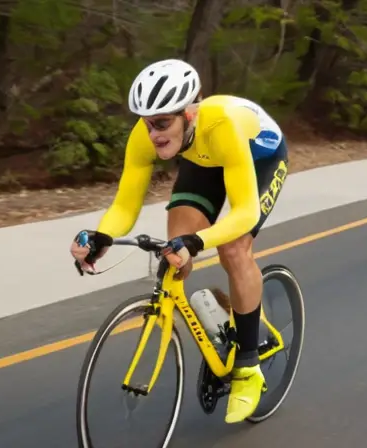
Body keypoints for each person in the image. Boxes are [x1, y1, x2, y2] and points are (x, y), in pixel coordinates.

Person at [69, 58, 289, 423]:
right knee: (175, 250)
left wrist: (200, 240)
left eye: (162, 122)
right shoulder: (145, 137)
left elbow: (245, 213)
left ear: (189, 113)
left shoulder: (221, 124)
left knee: (233, 248)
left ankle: (248, 367)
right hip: (204, 160)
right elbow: (125, 204)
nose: (153, 133)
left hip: (258, 155)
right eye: (146, 122)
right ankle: (220, 320)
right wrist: (102, 235)